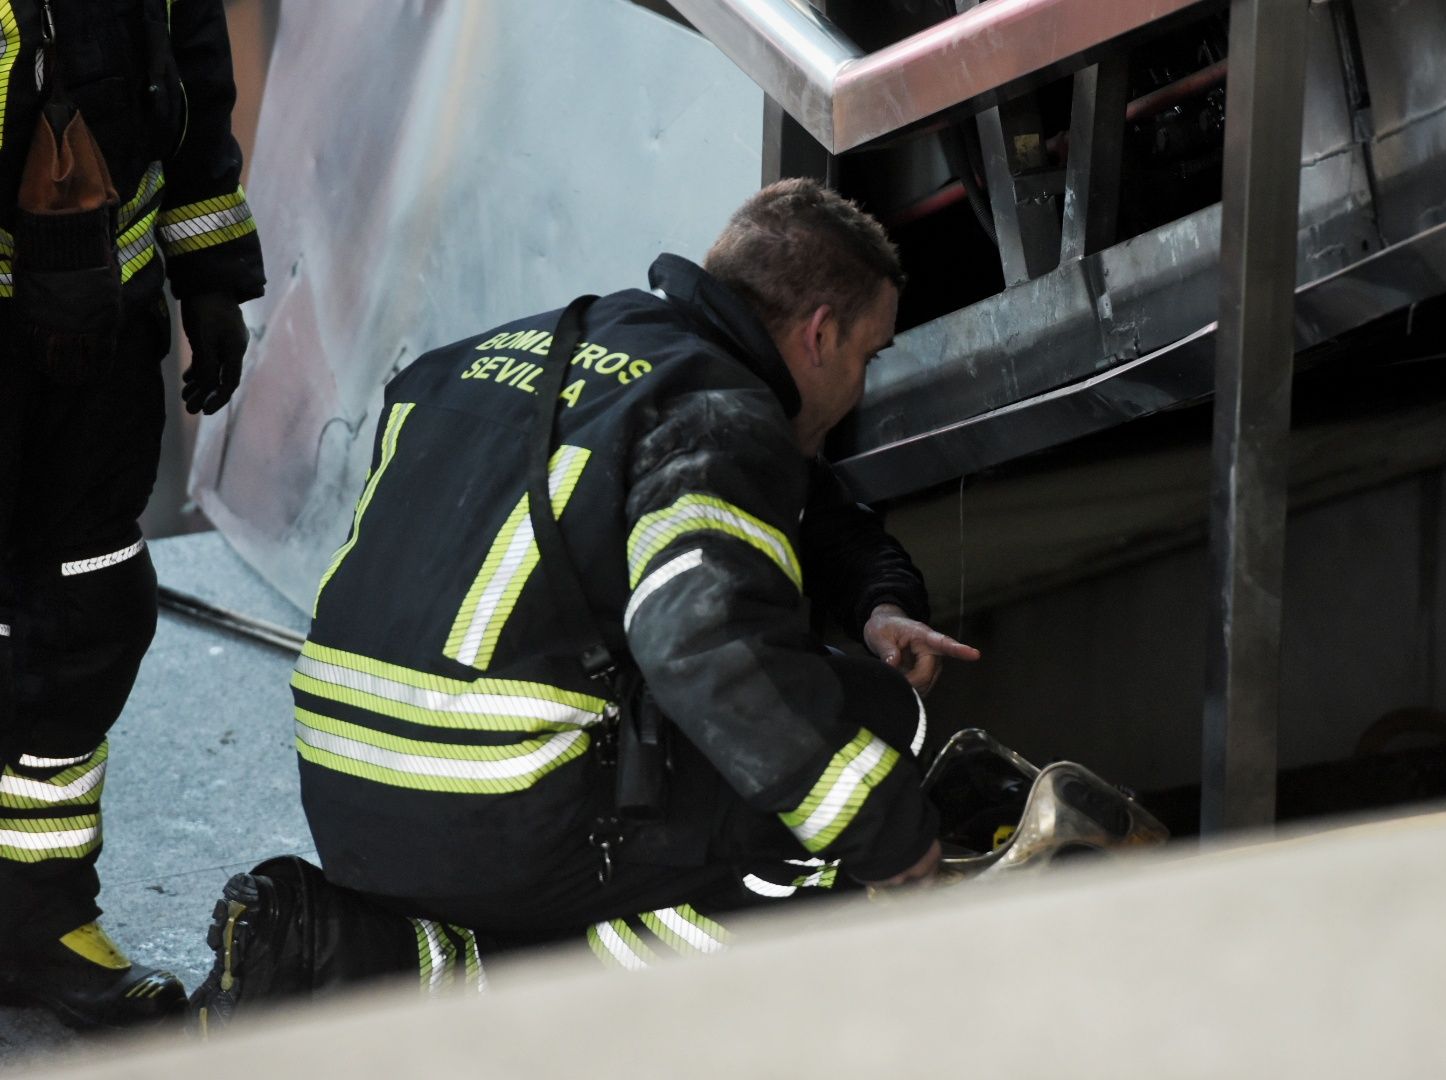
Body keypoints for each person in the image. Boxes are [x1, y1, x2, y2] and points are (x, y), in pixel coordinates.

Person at [187, 178, 977, 1020]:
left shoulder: (508, 356)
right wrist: (895, 840)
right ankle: (534, 1002)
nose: (863, 381)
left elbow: (801, 504)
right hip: (494, 809)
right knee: (858, 744)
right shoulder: (717, 412)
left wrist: (878, 601)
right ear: (820, 335)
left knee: (765, 732)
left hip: (346, 795)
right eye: (869, 353)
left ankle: (368, 954)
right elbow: (705, 645)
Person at [0, 0, 263, 1029]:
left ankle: (36, 917)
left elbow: (193, 87)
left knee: (92, 608)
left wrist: (211, 280)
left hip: (100, 336)